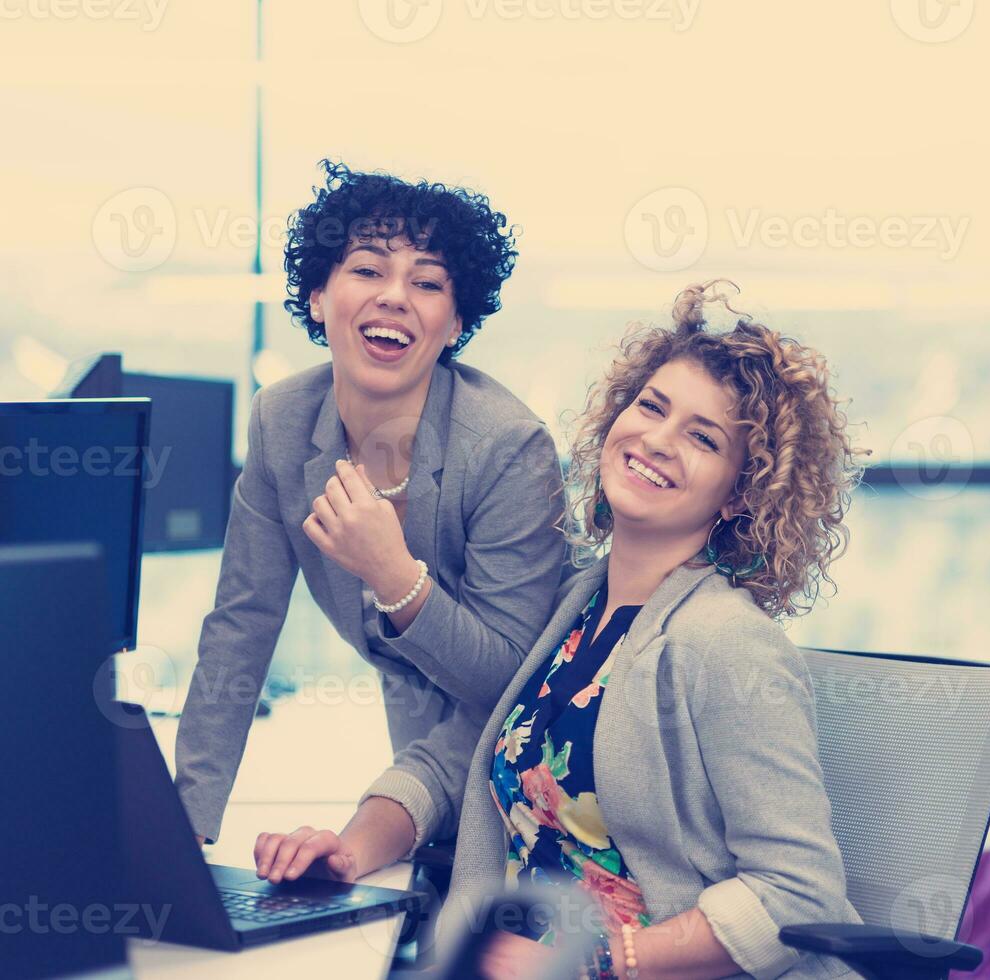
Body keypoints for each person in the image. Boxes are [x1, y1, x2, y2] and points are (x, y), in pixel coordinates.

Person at [253, 282, 862, 979]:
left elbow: (797, 895)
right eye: (651, 407)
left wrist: (607, 958)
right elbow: (457, 757)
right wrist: (351, 850)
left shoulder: (726, 642)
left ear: (741, 494)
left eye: (701, 437)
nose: (657, 440)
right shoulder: (576, 602)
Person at [174, 160, 566, 859]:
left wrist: (396, 578)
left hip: (533, 755)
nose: (394, 297)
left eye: (426, 283)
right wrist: (183, 828)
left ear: (456, 324)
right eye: (367, 271)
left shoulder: (508, 448)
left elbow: (511, 676)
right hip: (417, 755)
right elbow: (242, 624)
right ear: (319, 297)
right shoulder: (283, 421)